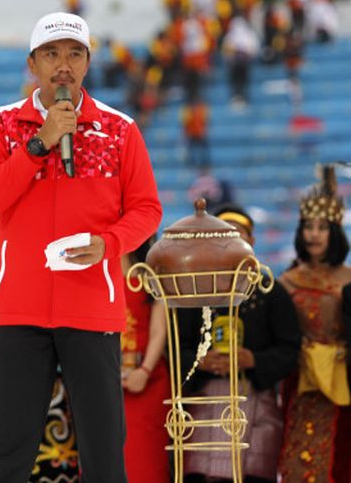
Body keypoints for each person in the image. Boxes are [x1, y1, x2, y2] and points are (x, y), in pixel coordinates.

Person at [0, 12, 162, 482]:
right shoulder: (1, 125)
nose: (63, 65)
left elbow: (147, 210)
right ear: (32, 63)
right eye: (52, 54)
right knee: (6, 447)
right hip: (18, 308)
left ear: (88, 63)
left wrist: (110, 243)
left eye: (74, 53)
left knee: (103, 449)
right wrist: (39, 143)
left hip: (92, 305)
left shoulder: (120, 129)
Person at [178, 204, 302, 482]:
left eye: (239, 234)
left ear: (252, 241)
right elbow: (175, 348)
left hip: (256, 399)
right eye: (223, 234)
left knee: (254, 472)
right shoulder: (193, 289)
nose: (232, 241)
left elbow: (290, 349)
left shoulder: (271, 291)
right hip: (205, 400)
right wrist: (200, 361)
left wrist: (253, 360)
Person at [0, 231, 80, 482]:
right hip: (2, 359)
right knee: (5, 452)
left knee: (56, 458)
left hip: (54, 364)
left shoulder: (56, 253)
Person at [277, 166, 351, 482]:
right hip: (301, 379)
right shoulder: (287, 281)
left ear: (334, 232)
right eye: (308, 226)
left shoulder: (348, 280)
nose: (314, 234)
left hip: (343, 379)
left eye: (322, 227)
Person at [121, 236, 169, 483]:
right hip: (104, 383)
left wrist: (145, 369)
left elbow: (159, 329)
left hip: (148, 381)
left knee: (147, 463)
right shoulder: (92, 272)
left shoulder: (151, 273)